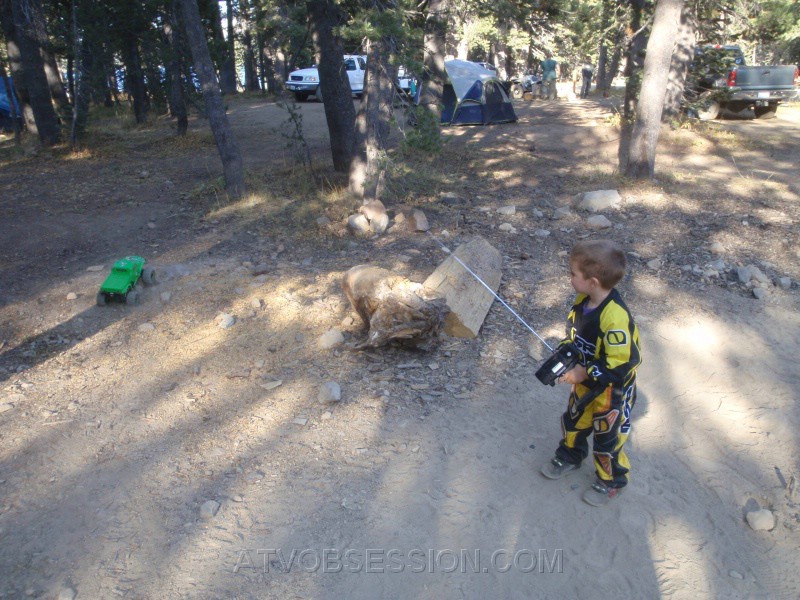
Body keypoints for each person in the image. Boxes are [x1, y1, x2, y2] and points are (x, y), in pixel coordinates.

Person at [540, 239, 642, 507]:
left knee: (607, 437)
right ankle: (570, 456)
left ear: (593, 282)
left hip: (612, 391)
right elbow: (574, 335)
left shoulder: (615, 318)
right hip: (586, 383)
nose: (569, 278)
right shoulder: (582, 301)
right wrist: (567, 353)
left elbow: (622, 364)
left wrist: (584, 372)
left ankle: (611, 481)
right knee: (573, 421)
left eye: (573, 274)